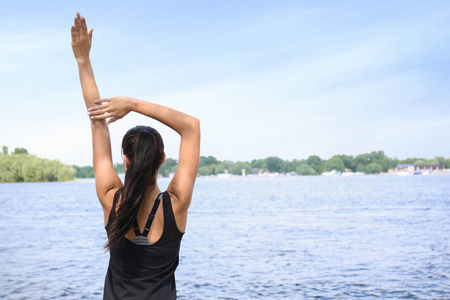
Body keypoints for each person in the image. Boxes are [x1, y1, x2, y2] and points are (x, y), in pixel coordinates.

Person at [71, 12, 200, 299]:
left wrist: (83, 60)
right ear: (162, 159)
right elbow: (191, 127)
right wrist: (133, 103)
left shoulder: (110, 198)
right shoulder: (176, 205)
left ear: (126, 159)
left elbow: (97, 120)